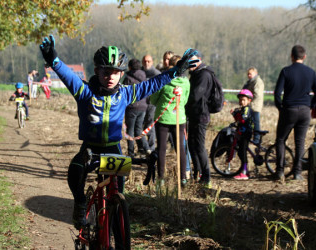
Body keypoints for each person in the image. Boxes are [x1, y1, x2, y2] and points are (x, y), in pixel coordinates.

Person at [39, 35, 198, 229]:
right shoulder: (84, 91)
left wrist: (176, 71)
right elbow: (67, 74)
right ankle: (80, 203)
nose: (110, 77)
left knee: (117, 195)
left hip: (113, 148)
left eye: (115, 72)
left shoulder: (125, 93)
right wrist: (53, 59)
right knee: (75, 170)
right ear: (97, 71)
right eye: (106, 72)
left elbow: (152, 84)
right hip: (90, 147)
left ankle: (115, 229)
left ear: (121, 74)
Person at [274, 45, 316, 181]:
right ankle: (297, 172)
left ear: (292, 56)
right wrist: (311, 105)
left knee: (281, 139)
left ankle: (280, 171)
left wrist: (280, 108)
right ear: (304, 56)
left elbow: (277, 93)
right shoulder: (311, 72)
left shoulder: (286, 71)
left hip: (289, 109)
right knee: (300, 142)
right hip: (305, 110)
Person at [150, 55, 190, 186]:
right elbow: (184, 100)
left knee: (161, 148)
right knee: (181, 149)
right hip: (179, 117)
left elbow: (153, 99)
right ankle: (183, 177)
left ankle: (161, 178)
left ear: (170, 66)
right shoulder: (186, 82)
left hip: (163, 117)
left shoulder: (164, 79)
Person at [185, 49, 215, 188]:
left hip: (201, 116)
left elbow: (195, 95)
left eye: (193, 60)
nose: (191, 63)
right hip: (193, 115)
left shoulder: (204, 75)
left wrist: (182, 100)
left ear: (200, 60)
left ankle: (206, 176)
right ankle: (198, 173)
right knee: (192, 145)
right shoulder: (195, 74)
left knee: (200, 146)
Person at [123, 58, 151, 157]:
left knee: (130, 130)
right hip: (143, 107)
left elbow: (124, 93)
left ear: (130, 67)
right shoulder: (144, 76)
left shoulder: (128, 78)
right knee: (139, 129)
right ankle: (146, 149)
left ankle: (131, 152)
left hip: (132, 107)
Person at [231, 89, 254, 180]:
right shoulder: (243, 109)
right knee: (241, 151)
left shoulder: (247, 109)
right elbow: (238, 120)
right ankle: (245, 170)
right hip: (242, 131)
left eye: (244, 100)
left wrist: (237, 114)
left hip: (246, 132)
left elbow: (243, 119)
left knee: (242, 151)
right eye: (240, 100)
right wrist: (234, 114)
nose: (241, 102)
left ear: (249, 100)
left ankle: (244, 172)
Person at [142, 54, 161, 152]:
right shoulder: (139, 73)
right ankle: (142, 147)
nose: (146, 63)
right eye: (145, 61)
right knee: (140, 126)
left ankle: (151, 147)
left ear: (152, 62)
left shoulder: (157, 74)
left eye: (148, 61)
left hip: (152, 103)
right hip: (140, 103)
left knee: (150, 124)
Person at [242, 67, 264, 144]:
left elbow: (257, 94)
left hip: (255, 106)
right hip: (251, 105)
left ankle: (257, 139)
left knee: (256, 122)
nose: (249, 75)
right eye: (248, 74)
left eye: (250, 74)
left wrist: (249, 101)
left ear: (255, 73)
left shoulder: (257, 82)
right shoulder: (250, 82)